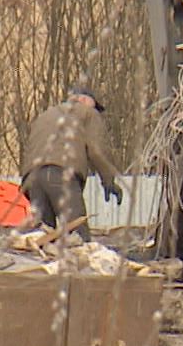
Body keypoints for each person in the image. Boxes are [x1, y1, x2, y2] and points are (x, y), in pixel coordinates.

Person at [19, 88, 123, 237]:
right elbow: (96, 151)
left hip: (31, 179)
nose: (96, 111)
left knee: (43, 238)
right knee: (78, 237)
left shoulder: (46, 114)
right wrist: (109, 181)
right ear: (84, 100)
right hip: (60, 175)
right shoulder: (88, 113)